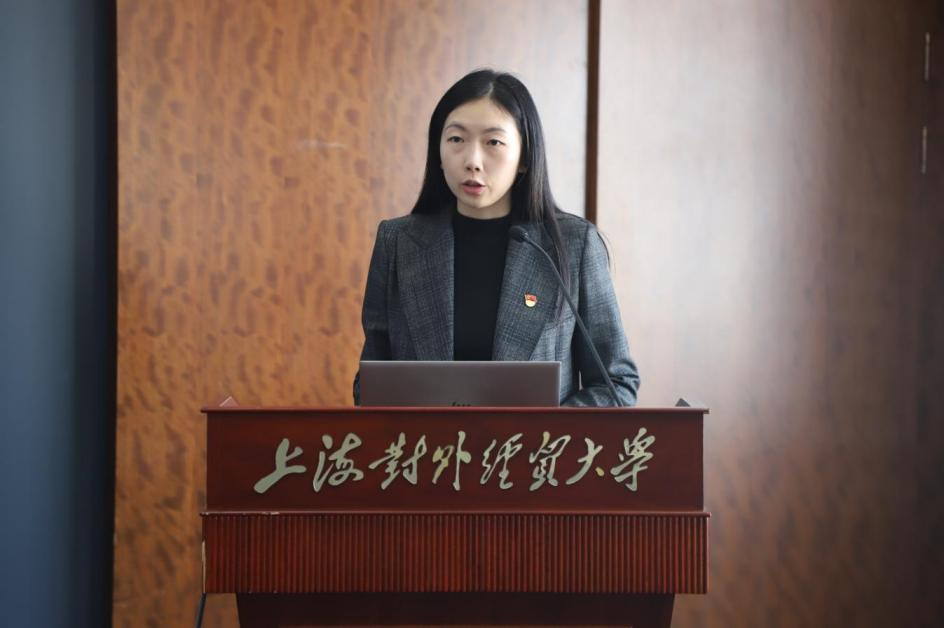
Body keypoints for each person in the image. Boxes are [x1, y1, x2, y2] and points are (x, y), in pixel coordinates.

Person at [353, 69, 639, 406]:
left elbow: (616, 384)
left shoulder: (574, 246)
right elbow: (369, 387)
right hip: (427, 442)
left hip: (537, 442)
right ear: (438, 150)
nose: (472, 161)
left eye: (493, 143)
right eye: (456, 139)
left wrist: (548, 429)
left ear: (524, 157)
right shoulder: (399, 243)